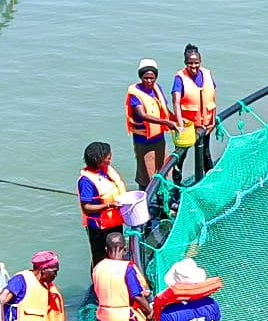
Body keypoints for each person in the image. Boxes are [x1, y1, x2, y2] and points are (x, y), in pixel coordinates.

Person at [126, 58, 180, 187]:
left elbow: (164, 108)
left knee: (163, 170)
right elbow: (142, 115)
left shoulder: (157, 89)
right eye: (146, 78)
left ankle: (164, 196)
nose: (149, 81)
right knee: (146, 175)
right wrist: (166, 123)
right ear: (140, 77)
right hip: (143, 140)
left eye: (152, 78)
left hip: (158, 137)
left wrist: (175, 119)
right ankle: (146, 197)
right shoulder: (135, 94)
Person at [77, 141, 128, 274]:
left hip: (114, 221)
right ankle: (98, 279)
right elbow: (86, 207)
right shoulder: (86, 182)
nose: (110, 158)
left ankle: (116, 275)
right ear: (99, 160)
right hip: (99, 228)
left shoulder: (106, 171)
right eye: (108, 157)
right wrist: (109, 205)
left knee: (117, 251)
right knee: (100, 257)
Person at [170, 44, 218, 180]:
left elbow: (212, 98)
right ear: (185, 63)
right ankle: (177, 186)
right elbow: (176, 101)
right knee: (180, 157)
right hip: (187, 126)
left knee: (206, 153)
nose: (193, 66)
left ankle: (210, 182)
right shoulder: (180, 78)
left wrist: (213, 121)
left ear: (200, 62)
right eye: (190, 63)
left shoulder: (207, 74)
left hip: (205, 124)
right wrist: (180, 124)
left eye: (196, 63)